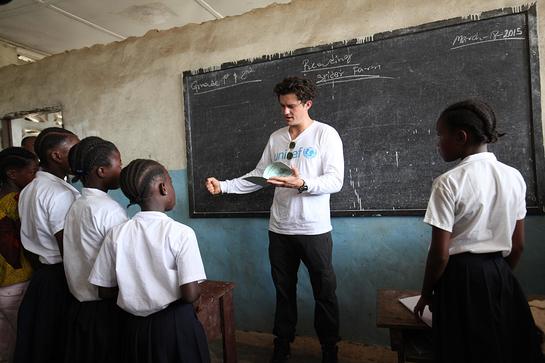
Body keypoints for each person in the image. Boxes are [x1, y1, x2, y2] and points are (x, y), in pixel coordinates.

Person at [205, 76, 344, 363]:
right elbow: (261, 175)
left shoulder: (325, 135)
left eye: (291, 106)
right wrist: (225, 185)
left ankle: (330, 349)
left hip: (314, 230)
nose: (285, 112)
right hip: (279, 229)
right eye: (282, 106)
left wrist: (302, 184)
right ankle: (282, 345)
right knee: (283, 292)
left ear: (308, 103)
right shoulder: (276, 138)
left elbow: (336, 180)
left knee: (325, 292)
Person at [414, 99, 544, 363]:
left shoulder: (447, 182)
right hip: (500, 271)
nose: (438, 142)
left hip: (460, 277)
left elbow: (440, 255)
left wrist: (427, 293)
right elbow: (517, 245)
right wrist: (499, 276)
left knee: (462, 348)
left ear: (461, 136)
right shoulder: (514, 176)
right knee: (503, 345)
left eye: (441, 135)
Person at [89, 159, 210, 363]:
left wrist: (138, 292)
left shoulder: (116, 233)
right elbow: (190, 295)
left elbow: (105, 290)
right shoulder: (181, 233)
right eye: (170, 182)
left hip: (133, 328)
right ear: (163, 187)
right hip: (174, 326)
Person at [14, 127, 80, 363]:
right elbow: (68, 248)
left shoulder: (29, 189)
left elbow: (29, 243)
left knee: (41, 344)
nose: (79, 155)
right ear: (56, 155)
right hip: (62, 278)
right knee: (59, 345)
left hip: (42, 276)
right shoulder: (60, 194)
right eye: (74, 149)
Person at [62, 137, 128, 363]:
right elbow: (122, 261)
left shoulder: (77, 205)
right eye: (118, 164)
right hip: (104, 309)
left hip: (80, 305)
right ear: (101, 171)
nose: (122, 168)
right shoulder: (109, 210)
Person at [0, 147, 38, 363]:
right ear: (11, 174)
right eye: (32, 172)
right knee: (24, 345)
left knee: (5, 348)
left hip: (2, 283)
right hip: (18, 283)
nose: (35, 177)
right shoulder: (17, 201)